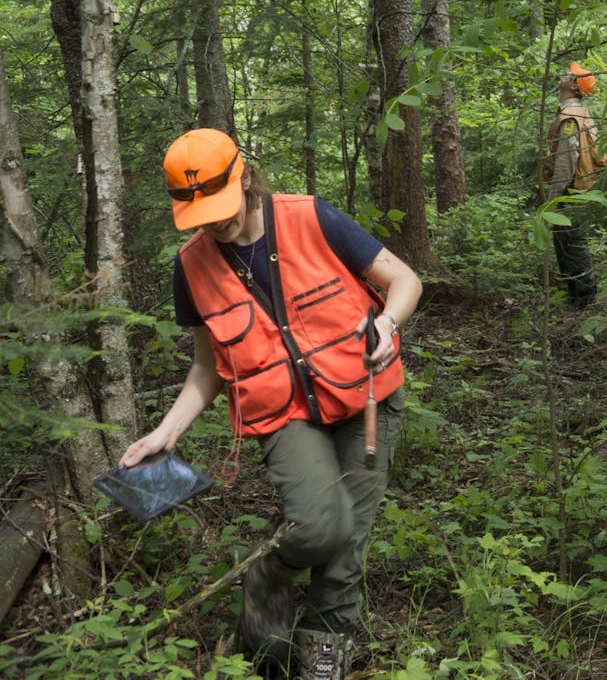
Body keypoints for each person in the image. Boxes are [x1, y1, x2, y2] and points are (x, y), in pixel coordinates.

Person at [121, 128, 421, 680]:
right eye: (201, 214)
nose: (216, 222)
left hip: (365, 396)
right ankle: (267, 575)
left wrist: (386, 321)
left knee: (349, 536)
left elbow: (404, 280)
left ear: (246, 176)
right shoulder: (191, 268)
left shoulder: (312, 217)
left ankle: (322, 651)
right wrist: (166, 433)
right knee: (318, 529)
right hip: (284, 414)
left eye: (222, 205)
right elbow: (207, 367)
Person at [539, 62, 607, 309]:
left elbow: (567, 161)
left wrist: (552, 199)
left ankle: (584, 303)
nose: (566, 74)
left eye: (570, 75)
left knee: (573, 250)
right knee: (569, 248)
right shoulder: (581, 113)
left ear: (572, 85)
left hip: (570, 193)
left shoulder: (570, 117)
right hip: (580, 190)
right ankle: (576, 302)